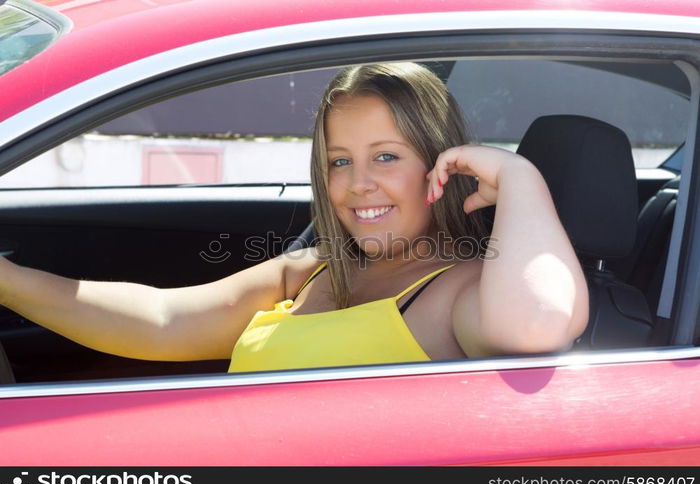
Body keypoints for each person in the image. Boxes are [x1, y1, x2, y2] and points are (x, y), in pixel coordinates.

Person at [0, 62, 589, 374]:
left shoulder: (460, 290)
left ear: (440, 162)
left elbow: (536, 327)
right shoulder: (309, 272)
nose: (358, 184)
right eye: (339, 161)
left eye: (386, 156)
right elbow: (160, 320)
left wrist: (520, 179)